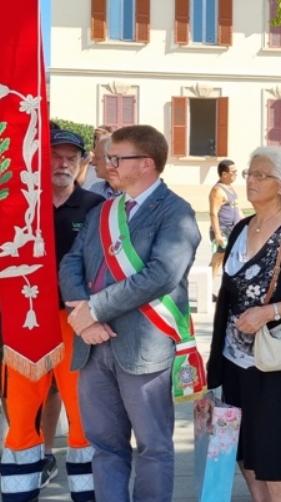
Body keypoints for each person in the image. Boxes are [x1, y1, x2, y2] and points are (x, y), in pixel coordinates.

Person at [59, 125, 202, 502]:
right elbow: (71, 261)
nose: (108, 165)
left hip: (144, 347)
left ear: (146, 164)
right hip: (93, 347)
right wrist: (84, 316)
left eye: (116, 158)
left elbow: (162, 274)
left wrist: (94, 309)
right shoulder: (103, 210)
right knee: (105, 447)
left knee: (153, 448)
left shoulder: (177, 213)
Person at [206, 146, 281, 502]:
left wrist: (268, 313)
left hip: (277, 360)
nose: (251, 181)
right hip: (234, 358)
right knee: (244, 443)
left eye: (262, 175)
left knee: (277, 447)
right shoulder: (242, 227)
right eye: (249, 174)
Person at [1, 130, 102, 502]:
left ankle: (87, 495)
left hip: (76, 322)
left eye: (71, 158)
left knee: (84, 414)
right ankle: (18, 493)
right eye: (56, 156)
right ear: (41, 160)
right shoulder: (16, 205)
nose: (63, 164)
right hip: (25, 324)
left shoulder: (96, 206)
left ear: (82, 162)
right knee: (22, 413)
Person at [209, 159, 242, 296]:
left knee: (230, 259)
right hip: (223, 229)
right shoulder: (217, 190)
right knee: (217, 260)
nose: (236, 174)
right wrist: (217, 234)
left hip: (233, 229)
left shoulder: (230, 188)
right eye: (233, 172)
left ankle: (228, 290)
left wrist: (246, 224)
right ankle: (207, 290)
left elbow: (237, 209)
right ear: (224, 174)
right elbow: (213, 213)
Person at [87, 130, 119, 199]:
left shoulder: (134, 192)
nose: (93, 163)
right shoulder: (95, 189)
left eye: (97, 158)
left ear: (112, 160)